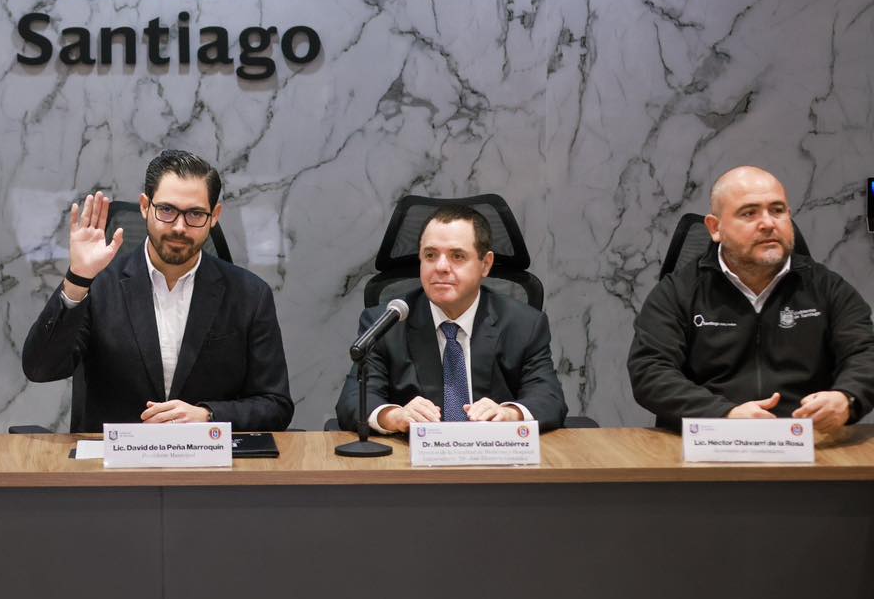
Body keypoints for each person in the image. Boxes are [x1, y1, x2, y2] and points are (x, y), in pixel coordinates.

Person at [23, 150, 293, 432]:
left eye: (195, 214)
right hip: (114, 456)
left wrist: (209, 416)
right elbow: (40, 369)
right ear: (145, 207)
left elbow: (276, 405)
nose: (179, 227)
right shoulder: (99, 285)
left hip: (206, 456)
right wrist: (78, 279)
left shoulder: (250, 295)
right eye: (166, 210)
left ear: (214, 216)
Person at [628, 166, 874, 430]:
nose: (768, 223)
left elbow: (866, 353)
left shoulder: (826, 287)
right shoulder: (679, 291)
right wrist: (724, 415)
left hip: (806, 439)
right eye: (749, 213)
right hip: (710, 438)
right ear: (715, 228)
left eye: (777, 210)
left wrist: (847, 398)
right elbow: (650, 371)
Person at [335, 205, 567, 433]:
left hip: (493, 453)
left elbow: (549, 398)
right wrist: (393, 417)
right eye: (430, 255)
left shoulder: (524, 324)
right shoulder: (388, 323)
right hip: (413, 455)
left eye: (457, 256)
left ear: (485, 264)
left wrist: (510, 414)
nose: (441, 267)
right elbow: (354, 400)